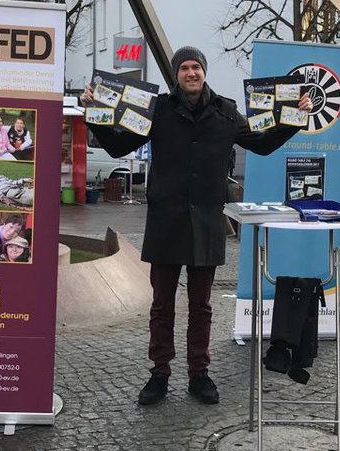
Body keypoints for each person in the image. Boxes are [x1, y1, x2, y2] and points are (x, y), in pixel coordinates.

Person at [82, 45, 312, 408]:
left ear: (204, 71)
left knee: (201, 305)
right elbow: (116, 146)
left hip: (206, 221)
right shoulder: (157, 111)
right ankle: (159, 373)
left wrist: (292, 120)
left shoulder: (226, 112)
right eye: (184, 68)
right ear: (176, 74)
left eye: (196, 67)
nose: (191, 73)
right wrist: (94, 112)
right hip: (166, 220)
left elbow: (263, 145)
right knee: (162, 305)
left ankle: (198, 373)